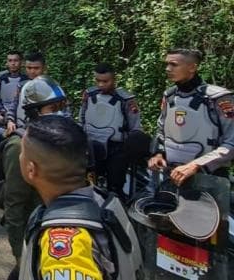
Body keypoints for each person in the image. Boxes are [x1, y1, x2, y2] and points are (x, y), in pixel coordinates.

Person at [19, 116, 143, 280]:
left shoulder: (64, 245)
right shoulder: (102, 201)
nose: (19, 156)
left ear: (31, 169)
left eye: (22, 152)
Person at [0, 70, 68, 279]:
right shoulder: (20, 147)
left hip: (58, 234)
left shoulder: (61, 140)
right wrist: (21, 256)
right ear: (35, 112)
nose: (60, 113)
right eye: (53, 108)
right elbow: (14, 205)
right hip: (35, 236)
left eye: (62, 107)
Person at [148, 48, 234, 185]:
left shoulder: (218, 98)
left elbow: (231, 143)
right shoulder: (169, 96)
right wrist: (158, 154)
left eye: (174, 64)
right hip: (170, 174)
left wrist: (196, 165)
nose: (168, 69)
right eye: (167, 64)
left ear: (192, 67)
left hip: (208, 177)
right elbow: (161, 130)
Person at [79, 63, 143, 196]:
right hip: (91, 147)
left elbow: (135, 127)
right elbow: (82, 118)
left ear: (114, 80)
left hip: (117, 149)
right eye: (98, 81)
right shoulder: (89, 95)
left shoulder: (126, 99)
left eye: (105, 81)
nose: (101, 85)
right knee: (89, 185)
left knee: (115, 187)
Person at [0, 52, 27, 139]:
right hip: (3, 112)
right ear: (7, 62)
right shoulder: (1, 77)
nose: (13, 63)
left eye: (16, 60)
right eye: (10, 60)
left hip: (20, 113)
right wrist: (0, 110)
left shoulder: (26, 79)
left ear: (21, 62)